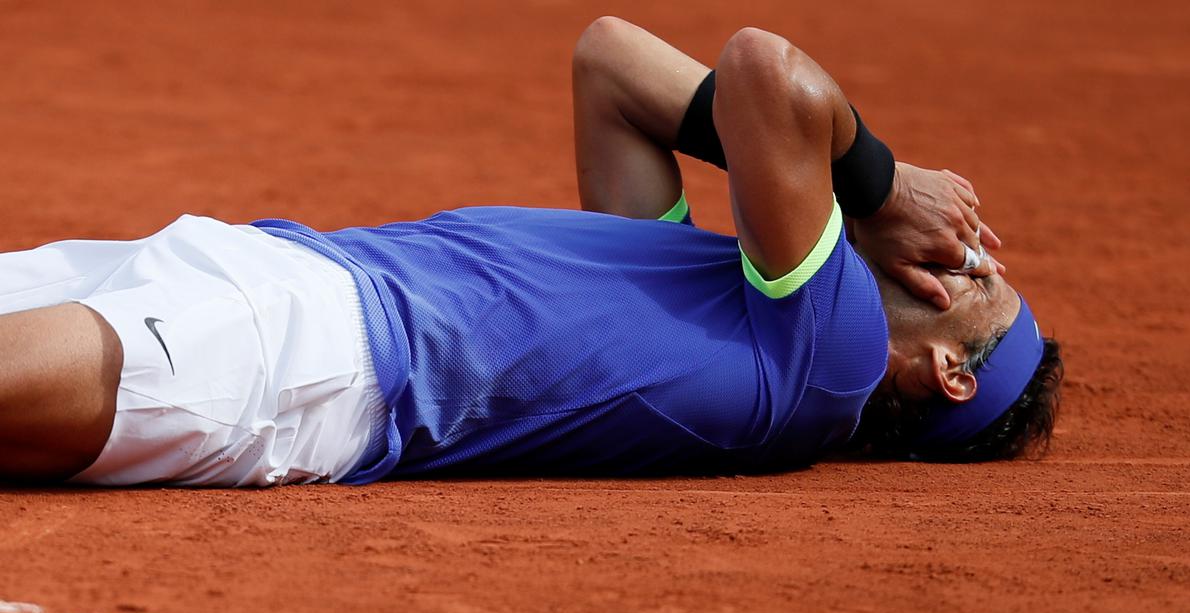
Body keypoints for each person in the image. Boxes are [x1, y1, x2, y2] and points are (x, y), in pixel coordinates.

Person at [0, 18, 1061, 486]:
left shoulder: (826, 362)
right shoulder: (723, 305)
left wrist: (877, 188)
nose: (961, 249)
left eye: (974, 278)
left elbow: (766, 74)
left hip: (309, 362)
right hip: (270, 269)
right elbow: (609, 65)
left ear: (945, 369)